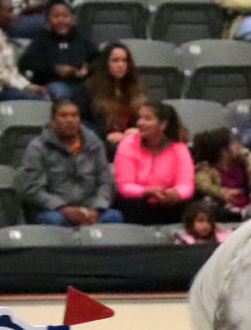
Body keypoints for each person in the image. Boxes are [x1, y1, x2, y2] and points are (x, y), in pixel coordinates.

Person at [16, 97, 121, 225]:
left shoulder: (94, 144)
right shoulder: (38, 147)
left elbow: (106, 183)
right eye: (63, 115)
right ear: (52, 120)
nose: (70, 120)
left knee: (114, 217)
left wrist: (96, 208)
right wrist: (63, 208)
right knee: (54, 220)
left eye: (74, 115)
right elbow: (32, 189)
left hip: (89, 208)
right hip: (54, 211)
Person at [113, 100, 194, 224]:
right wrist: (147, 191)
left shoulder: (179, 148)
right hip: (137, 204)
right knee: (133, 205)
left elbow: (186, 185)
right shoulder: (127, 144)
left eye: (148, 119)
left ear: (163, 125)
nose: (140, 123)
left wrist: (175, 193)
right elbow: (124, 186)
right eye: (140, 118)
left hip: (169, 204)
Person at [17, 1, 96, 108]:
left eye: (65, 16)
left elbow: (98, 59)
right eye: (56, 16)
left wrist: (87, 69)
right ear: (48, 21)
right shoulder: (42, 39)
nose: (61, 20)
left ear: (72, 19)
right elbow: (27, 62)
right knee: (60, 92)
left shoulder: (81, 37)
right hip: (53, 82)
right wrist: (55, 69)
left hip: (80, 82)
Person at [85, 41, 144, 157]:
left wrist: (138, 130)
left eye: (124, 61)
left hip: (131, 142)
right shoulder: (89, 90)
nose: (120, 65)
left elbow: (148, 118)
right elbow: (84, 122)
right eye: (115, 61)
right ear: (106, 64)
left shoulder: (136, 90)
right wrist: (105, 136)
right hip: (103, 145)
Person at [191, 126, 251, 219]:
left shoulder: (243, 164)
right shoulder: (206, 170)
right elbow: (203, 185)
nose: (238, 146)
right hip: (224, 210)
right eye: (232, 143)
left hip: (250, 206)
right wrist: (223, 192)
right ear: (223, 151)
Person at [0, 0, 43, 100]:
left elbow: (10, 71)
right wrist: (25, 86)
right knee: (38, 101)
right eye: (9, 11)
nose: (14, 15)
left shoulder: (1, 35)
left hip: (6, 86)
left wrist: (26, 84)